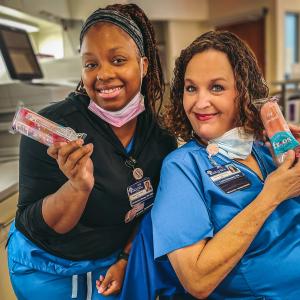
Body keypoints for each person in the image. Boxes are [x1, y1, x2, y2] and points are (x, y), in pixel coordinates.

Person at [6, 4, 176, 300]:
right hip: (48, 268)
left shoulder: (159, 140)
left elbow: (147, 214)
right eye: (91, 64)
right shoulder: (54, 133)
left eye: (118, 60)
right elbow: (40, 225)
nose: (103, 74)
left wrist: (125, 258)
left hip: (109, 261)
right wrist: (77, 187)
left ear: (144, 65)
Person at [151, 31, 300, 299]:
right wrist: (271, 195)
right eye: (191, 88)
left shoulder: (265, 150)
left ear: (244, 92)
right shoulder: (183, 167)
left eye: (216, 87)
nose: (200, 102)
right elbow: (196, 280)